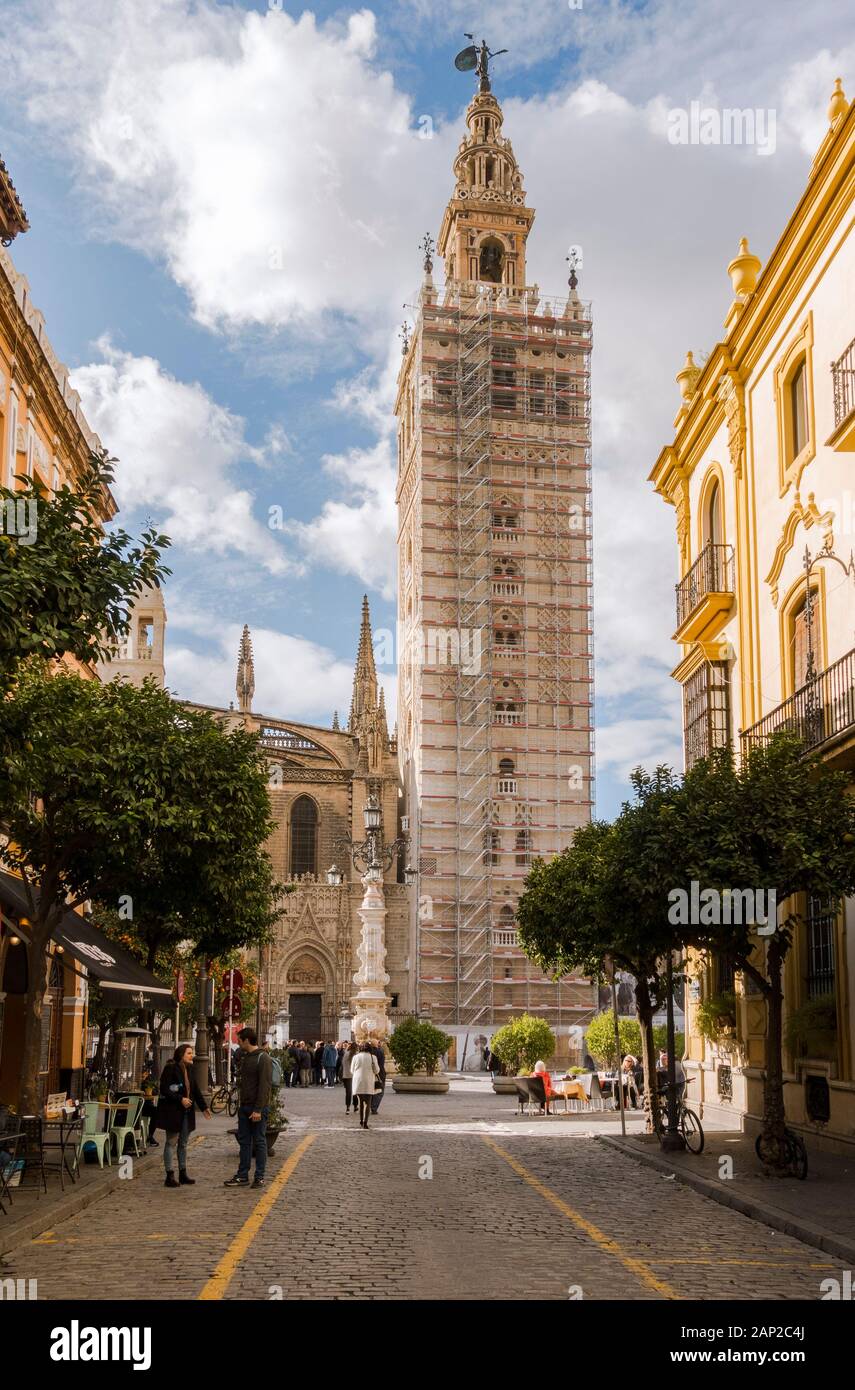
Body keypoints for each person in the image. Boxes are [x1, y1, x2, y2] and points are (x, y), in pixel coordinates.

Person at [154, 1044, 211, 1187]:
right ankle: (169, 1175)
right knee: (171, 1142)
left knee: (183, 1143)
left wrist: (204, 1107)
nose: (192, 1056)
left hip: (187, 1112)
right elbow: (164, 1089)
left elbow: (196, 1090)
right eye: (189, 1053)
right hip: (173, 1111)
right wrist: (180, 1099)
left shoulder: (190, 1069)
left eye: (192, 1053)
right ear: (181, 1054)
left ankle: (183, 1173)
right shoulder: (171, 1068)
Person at [224, 1027, 272, 1189]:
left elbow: (265, 1086)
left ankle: (259, 1177)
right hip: (244, 1106)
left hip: (257, 1108)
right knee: (244, 1142)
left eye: (239, 1040)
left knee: (259, 1141)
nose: (237, 1043)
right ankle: (242, 1175)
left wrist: (258, 1109)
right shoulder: (245, 1057)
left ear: (246, 1040)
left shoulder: (262, 1058)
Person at [351, 1043, 380, 1129]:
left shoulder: (356, 1057)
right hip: (368, 1081)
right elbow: (377, 1070)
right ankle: (365, 1122)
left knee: (361, 1103)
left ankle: (360, 1120)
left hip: (358, 1081)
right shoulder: (373, 1057)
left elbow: (352, 1070)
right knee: (368, 1103)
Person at [368, 1040, 386, 1115]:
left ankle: (370, 1106)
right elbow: (381, 1064)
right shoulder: (380, 1052)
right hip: (379, 1074)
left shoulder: (369, 1053)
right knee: (380, 1092)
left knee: (371, 1091)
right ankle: (374, 1108)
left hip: (370, 1074)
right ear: (377, 1044)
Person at [341, 1040, 358, 1114]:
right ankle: (355, 1107)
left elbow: (342, 1064)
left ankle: (347, 1108)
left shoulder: (346, 1054)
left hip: (346, 1075)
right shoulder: (356, 1055)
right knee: (355, 1092)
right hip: (354, 1076)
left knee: (348, 1092)